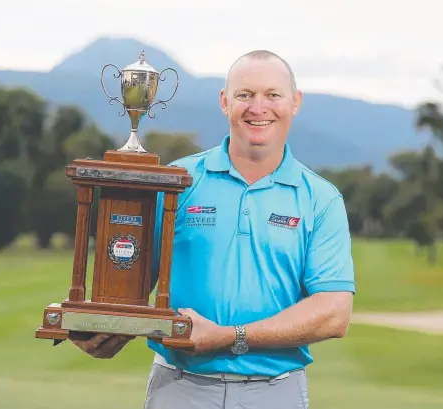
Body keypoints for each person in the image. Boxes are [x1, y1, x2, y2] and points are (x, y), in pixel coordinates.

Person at [70, 50, 356, 409]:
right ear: (224, 101)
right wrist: (105, 325)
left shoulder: (321, 198)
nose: (258, 107)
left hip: (274, 392)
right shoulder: (179, 181)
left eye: (272, 95)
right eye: (244, 95)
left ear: (295, 102)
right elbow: (130, 284)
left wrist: (230, 337)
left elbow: (333, 312)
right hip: (180, 387)